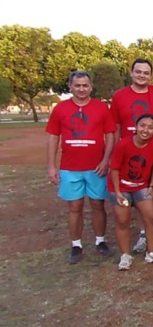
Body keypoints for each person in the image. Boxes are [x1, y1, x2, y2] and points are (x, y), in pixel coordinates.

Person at [46, 70, 116, 264]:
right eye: (77, 85)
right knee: (75, 206)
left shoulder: (101, 108)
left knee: (97, 204)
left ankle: (100, 241)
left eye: (85, 85)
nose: (81, 89)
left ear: (91, 87)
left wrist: (106, 160)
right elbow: (53, 137)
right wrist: (51, 166)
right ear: (70, 86)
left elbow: (110, 135)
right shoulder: (60, 109)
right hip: (70, 167)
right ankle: (76, 245)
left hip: (96, 168)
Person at [110, 59, 153, 254]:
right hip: (129, 157)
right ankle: (144, 234)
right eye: (138, 72)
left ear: (151, 76)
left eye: (146, 72)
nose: (142, 75)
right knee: (136, 198)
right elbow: (116, 127)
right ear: (131, 72)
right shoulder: (119, 96)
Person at [108, 114, 153, 270]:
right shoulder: (123, 144)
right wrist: (118, 192)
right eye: (142, 125)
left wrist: (151, 186)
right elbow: (114, 168)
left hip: (141, 186)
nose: (145, 130)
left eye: (150, 127)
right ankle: (125, 255)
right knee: (122, 220)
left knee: (152, 217)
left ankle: (151, 251)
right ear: (136, 126)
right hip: (121, 188)